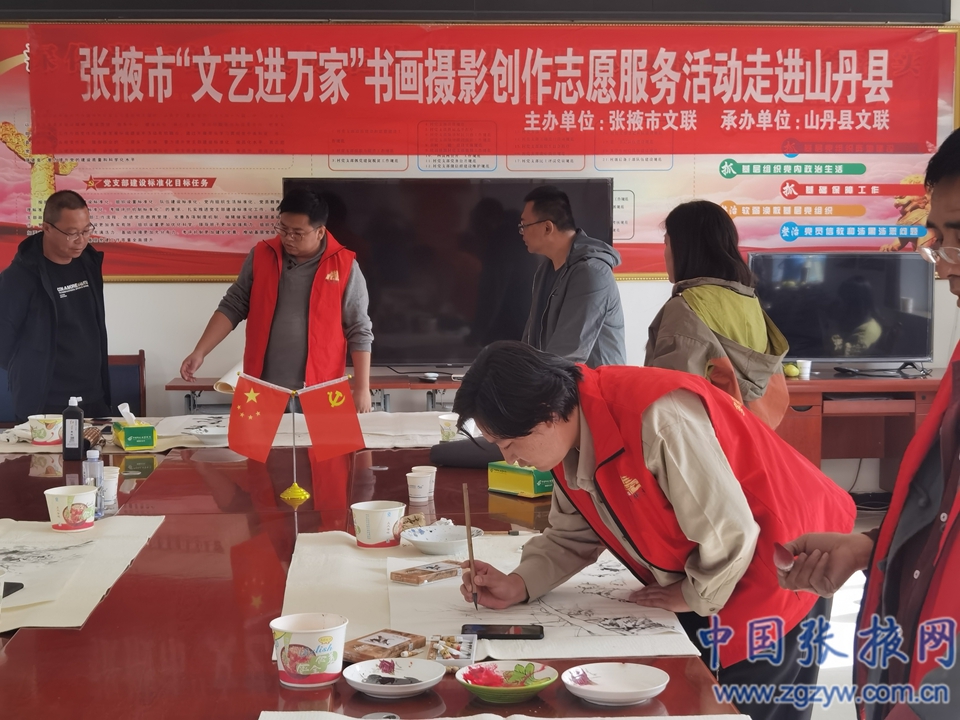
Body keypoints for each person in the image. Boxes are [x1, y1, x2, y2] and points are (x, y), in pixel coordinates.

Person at [453, 341, 856, 720]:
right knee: (696, 690)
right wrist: (519, 584)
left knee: (743, 701)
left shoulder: (656, 416)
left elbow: (729, 531)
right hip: (719, 566)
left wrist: (690, 594)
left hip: (782, 559)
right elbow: (574, 533)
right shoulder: (566, 437)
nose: (510, 459)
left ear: (547, 413)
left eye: (509, 443)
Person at [779, 129, 960, 720]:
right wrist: (871, 547)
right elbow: (942, 518)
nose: (942, 266)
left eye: (957, 237)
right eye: (938, 240)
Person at [181, 189, 373, 412]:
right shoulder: (262, 255)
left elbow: (359, 328)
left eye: (297, 233)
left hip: (322, 389)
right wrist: (200, 351)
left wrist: (362, 388)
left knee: (322, 437)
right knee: (257, 437)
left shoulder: (344, 265)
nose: (288, 238)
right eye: (283, 228)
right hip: (261, 388)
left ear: (320, 232)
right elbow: (233, 305)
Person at [646, 200, 790, 429]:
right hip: (753, 433)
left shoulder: (685, 307)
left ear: (685, 248)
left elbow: (675, 407)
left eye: (667, 243)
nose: (665, 253)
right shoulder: (749, 302)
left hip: (708, 441)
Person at [0, 190, 111, 421]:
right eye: (72, 233)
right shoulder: (19, 277)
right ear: (47, 228)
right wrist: (30, 367)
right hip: (45, 401)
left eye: (86, 230)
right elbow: (4, 340)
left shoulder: (88, 262)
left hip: (93, 395)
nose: (81, 240)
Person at [520, 185, 625, 366]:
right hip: (556, 378)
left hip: (593, 382)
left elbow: (568, 353)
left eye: (524, 225)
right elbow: (531, 339)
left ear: (547, 227)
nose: (521, 232)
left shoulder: (592, 272)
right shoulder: (544, 271)